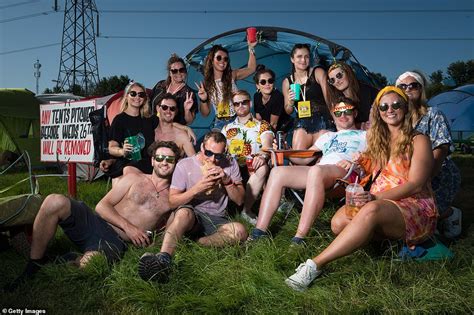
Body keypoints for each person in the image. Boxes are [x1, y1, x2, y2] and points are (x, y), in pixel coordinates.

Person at [285, 87, 437, 291]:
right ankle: (389, 243)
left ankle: (314, 265)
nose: (389, 110)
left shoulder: (418, 139)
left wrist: (375, 197)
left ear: (405, 108)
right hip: (378, 201)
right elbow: (366, 166)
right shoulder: (377, 141)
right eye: (384, 106)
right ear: (378, 111)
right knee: (338, 222)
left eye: (396, 105)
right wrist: (355, 164)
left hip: (412, 204)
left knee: (370, 212)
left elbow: (415, 184)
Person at [4, 141, 181, 291]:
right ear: (152, 160)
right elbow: (102, 206)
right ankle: (33, 265)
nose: (164, 162)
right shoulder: (135, 179)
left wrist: (152, 249)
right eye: (159, 157)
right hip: (94, 222)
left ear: (176, 163)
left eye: (169, 159)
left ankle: (62, 259)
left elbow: (168, 232)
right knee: (54, 200)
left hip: (114, 242)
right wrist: (130, 227)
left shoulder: (173, 198)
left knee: (88, 266)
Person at [249, 98, 367, 243]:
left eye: (347, 111)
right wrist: (286, 150)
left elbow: (375, 158)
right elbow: (304, 159)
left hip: (347, 173)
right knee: (277, 173)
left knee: (316, 170)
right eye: (338, 112)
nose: (342, 115)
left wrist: (356, 162)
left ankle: (300, 237)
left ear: (354, 113)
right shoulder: (328, 136)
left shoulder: (365, 135)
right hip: (320, 172)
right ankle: (259, 231)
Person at [137, 131, 247, 282]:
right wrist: (197, 189)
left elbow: (240, 200)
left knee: (240, 231)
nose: (213, 159)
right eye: (208, 153)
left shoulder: (230, 164)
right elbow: (172, 202)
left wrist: (227, 180)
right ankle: (163, 260)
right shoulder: (185, 165)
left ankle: (197, 242)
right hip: (192, 215)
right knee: (183, 214)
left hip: (217, 218)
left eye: (218, 155)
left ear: (225, 152)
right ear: (202, 147)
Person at [396, 71, 462, 238]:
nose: (408, 89)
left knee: (425, 210)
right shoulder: (397, 118)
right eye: (402, 86)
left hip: (437, 172)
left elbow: (441, 149)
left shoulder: (433, 114)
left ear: (422, 89)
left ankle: (450, 214)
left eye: (413, 85)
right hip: (409, 174)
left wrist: (425, 179)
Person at [222, 90, 274, 225]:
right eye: (236, 103)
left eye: (244, 102)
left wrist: (262, 156)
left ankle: (246, 211)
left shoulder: (262, 125)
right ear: (233, 106)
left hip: (253, 165)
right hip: (232, 168)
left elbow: (267, 145)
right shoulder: (227, 128)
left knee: (262, 168)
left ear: (250, 104)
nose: (240, 105)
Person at [282, 43, 333, 157]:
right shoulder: (287, 82)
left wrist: (336, 122)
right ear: (292, 59)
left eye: (307, 56)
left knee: (321, 156)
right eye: (299, 56)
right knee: (298, 156)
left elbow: (330, 100)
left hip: (323, 119)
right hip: (302, 121)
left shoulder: (318, 72)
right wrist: (290, 102)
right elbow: (288, 110)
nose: (303, 60)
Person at [196, 42, 257, 130]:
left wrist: (251, 48)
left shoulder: (232, 75)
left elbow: (251, 68)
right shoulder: (207, 84)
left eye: (225, 59)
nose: (222, 61)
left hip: (238, 118)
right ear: (212, 60)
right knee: (214, 141)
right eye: (219, 58)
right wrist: (203, 99)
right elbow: (205, 114)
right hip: (220, 123)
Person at [105, 82, 159, 178]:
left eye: (141, 94)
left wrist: (184, 128)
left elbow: (167, 124)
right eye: (133, 94)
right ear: (126, 97)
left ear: (145, 98)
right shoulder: (119, 120)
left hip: (148, 164)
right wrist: (122, 151)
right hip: (128, 163)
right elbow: (112, 147)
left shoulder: (150, 119)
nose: (137, 97)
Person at [326, 62, 379, 127]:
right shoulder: (337, 101)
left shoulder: (369, 92)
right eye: (332, 80)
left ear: (348, 73)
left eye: (339, 76)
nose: (337, 81)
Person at [150, 54, 198, 125]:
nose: (178, 73)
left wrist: (187, 110)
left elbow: (190, 121)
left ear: (185, 71)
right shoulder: (159, 85)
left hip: (174, 133)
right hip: (153, 128)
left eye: (181, 70)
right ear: (170, 73)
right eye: (174, 71)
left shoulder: (190, 93)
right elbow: (149, 104)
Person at [154, 93, 196, 157]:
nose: (168, 111)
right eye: (164, 107)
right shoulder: (150, 129)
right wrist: (186, 128)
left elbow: (194, 162)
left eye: (172, 108)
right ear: (158, 108)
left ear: (176, 111)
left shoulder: (182, 136)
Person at [253, 65, 292, 133]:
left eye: (270, 81)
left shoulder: (277, 97)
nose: (267, 84)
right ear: (257, 86)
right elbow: (258, 118)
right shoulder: (256, 96)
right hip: (267, 127)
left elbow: (273, 124)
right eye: (263, 82)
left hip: (282, 128)